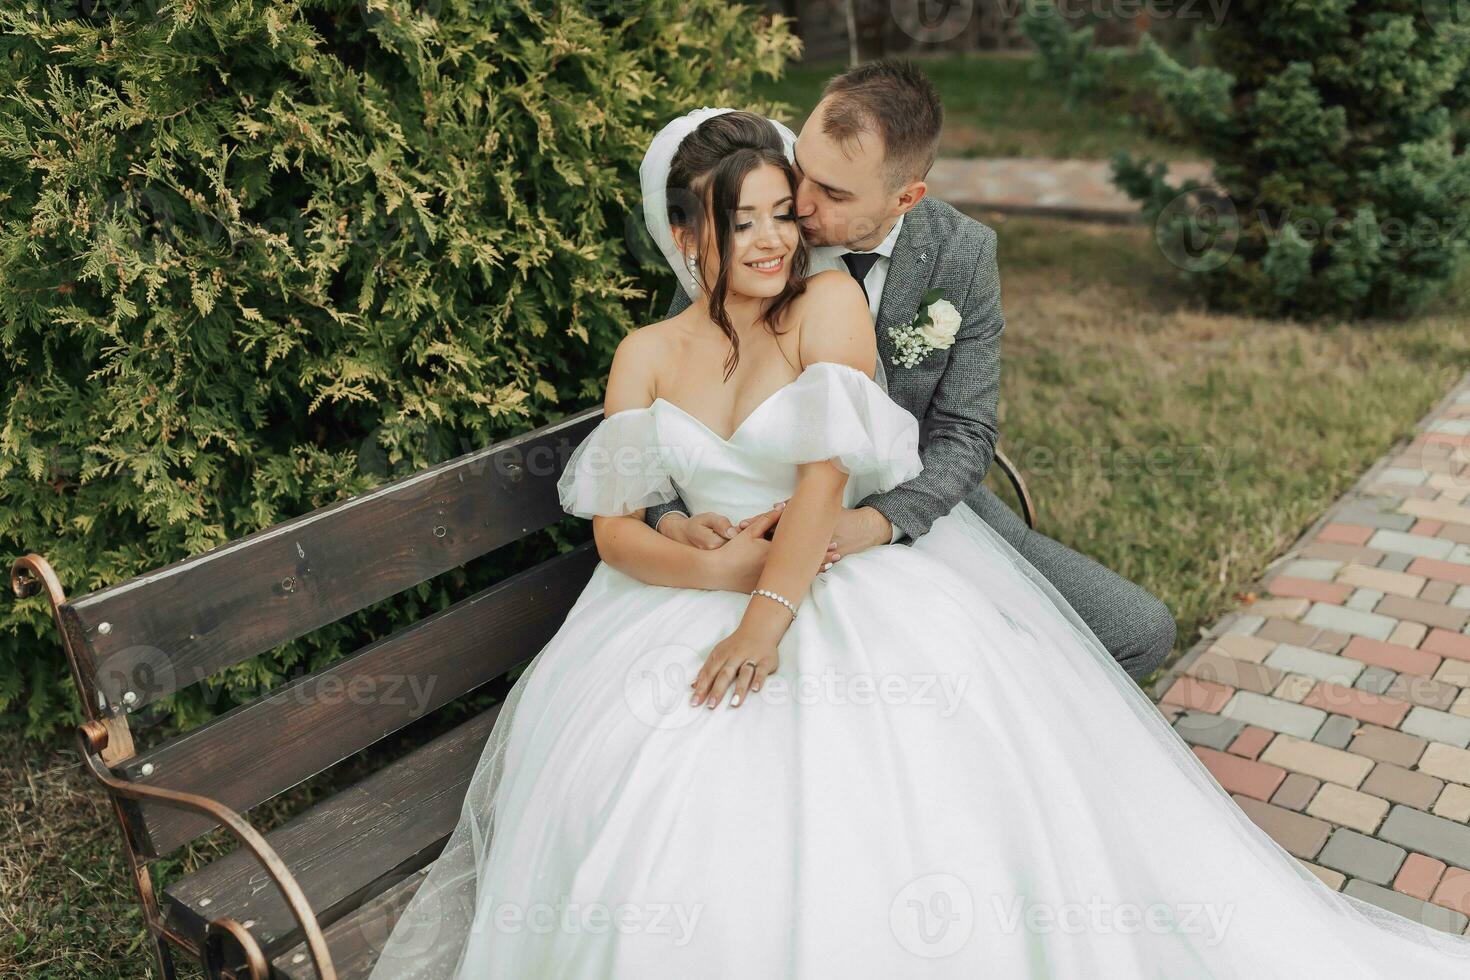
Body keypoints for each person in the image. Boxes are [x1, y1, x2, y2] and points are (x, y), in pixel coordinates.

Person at [366, 109, 1470, 978]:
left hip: (841, 573)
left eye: (779, 214)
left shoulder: (826, 307)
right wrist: (706, 556)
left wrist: (765, 606)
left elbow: (826, 476)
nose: (770, 239)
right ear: (686, 233)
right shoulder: (646, 351)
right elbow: (615, 530)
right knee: (641, 785)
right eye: (738, 220)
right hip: (678, 598)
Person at [642, 60, 1176, 685]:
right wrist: (673, 518)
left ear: (906, 198)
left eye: (835, 194)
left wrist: (875, 523)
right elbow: (676, 401)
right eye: (802, 170)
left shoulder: (961, 252)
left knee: (1137, 631)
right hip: (763, 519)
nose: (803, 206)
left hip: (925, 509)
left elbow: (964, 434)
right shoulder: (760, 232)